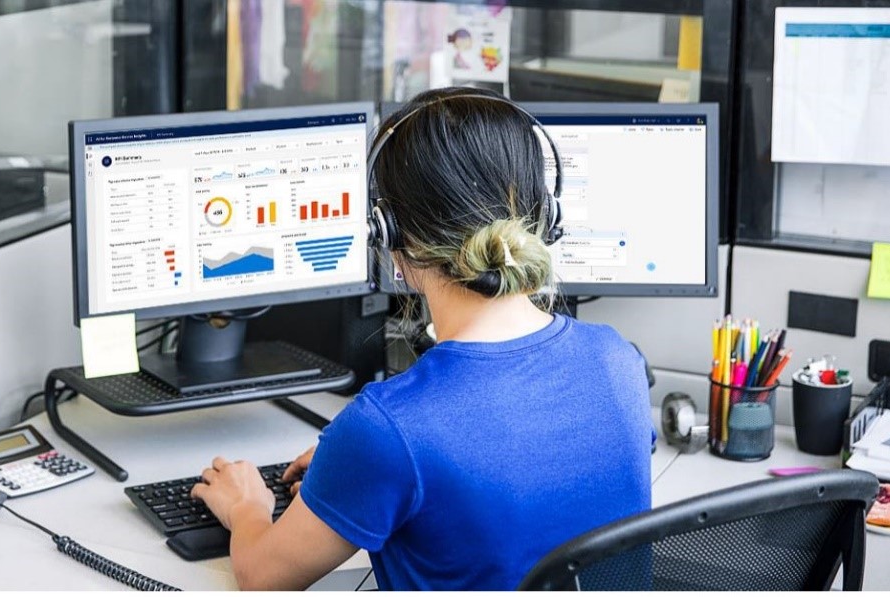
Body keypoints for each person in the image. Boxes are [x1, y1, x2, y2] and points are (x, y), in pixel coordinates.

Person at [190, 87, 653, 591]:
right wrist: (351, 475)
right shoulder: (618, 361)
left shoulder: (387, 428)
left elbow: (263, 578)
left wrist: (247, 506)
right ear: (546, 216)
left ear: (388, 237)